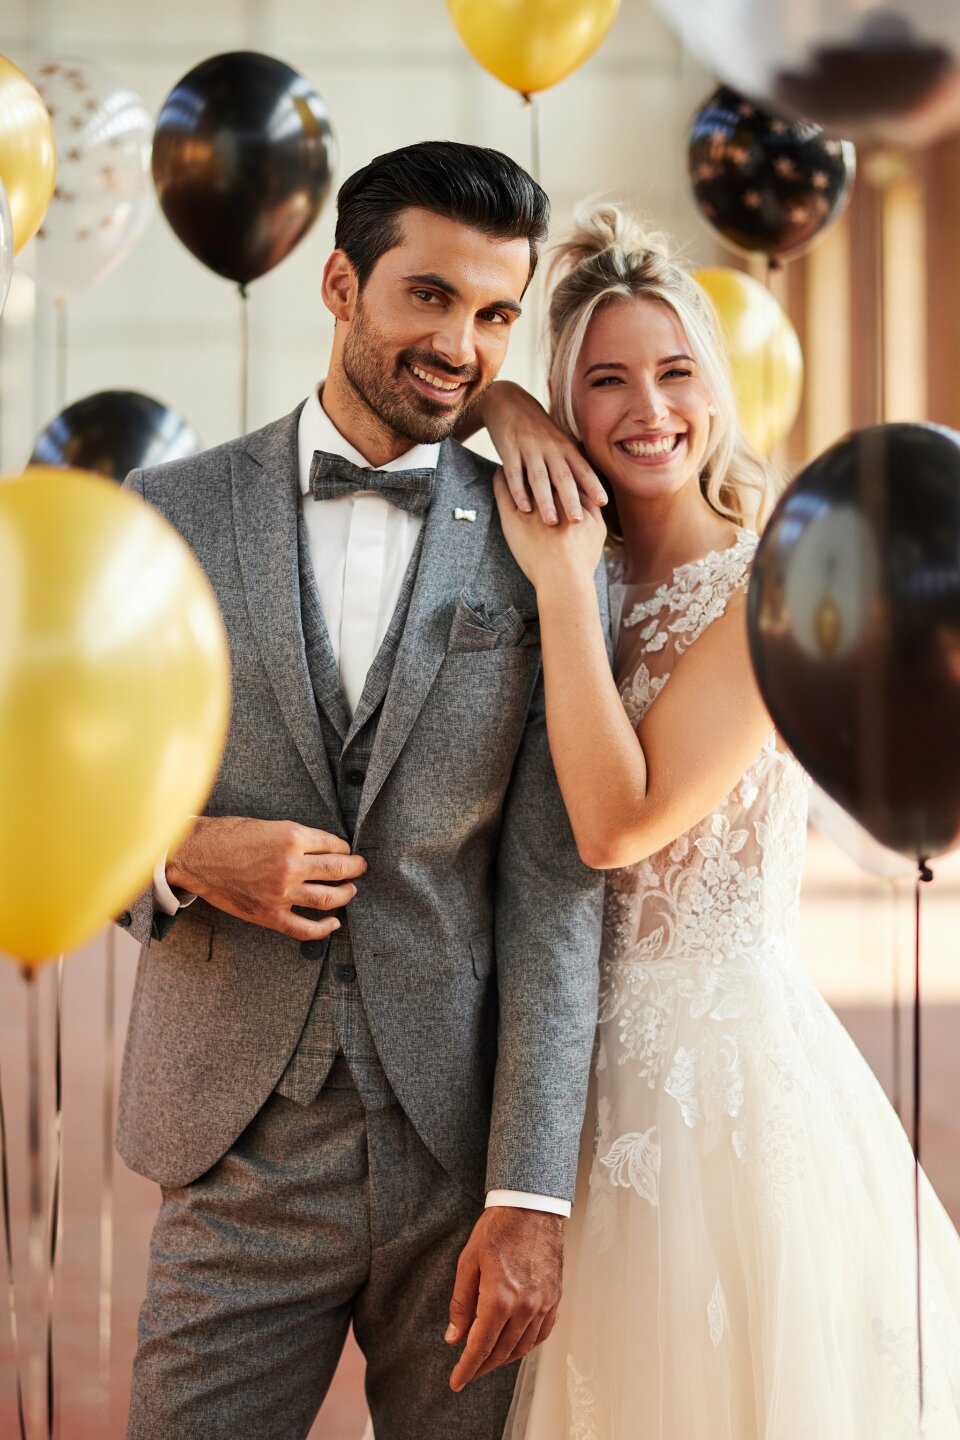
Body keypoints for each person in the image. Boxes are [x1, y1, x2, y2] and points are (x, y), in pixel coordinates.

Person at [115, 141, 608, 1440]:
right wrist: (180, 856)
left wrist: (532, 1197)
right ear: (339, 284)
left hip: (460, 1160)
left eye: (497, 313)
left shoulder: (540, 536)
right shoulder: (166, 517)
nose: (463, 344)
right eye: (429, 297)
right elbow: (63, 800)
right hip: (236, 1150)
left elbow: (555, 894)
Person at [471, 205, 960, 1438]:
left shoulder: (763, 592)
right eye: (607, 382)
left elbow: (618, 825)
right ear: (567, 407)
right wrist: (500, 410)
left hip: (720, 1089)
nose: (650, 408)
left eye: (677, 373)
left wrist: (566, 586)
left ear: (717, 392)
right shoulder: (555, 550)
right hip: (554, 1073)